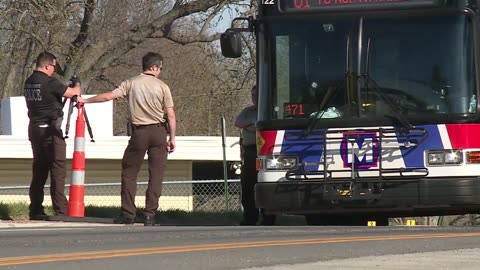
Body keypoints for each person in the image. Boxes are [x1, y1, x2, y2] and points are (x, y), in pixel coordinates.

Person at [78, 52, 176, 226]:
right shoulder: (162, 86)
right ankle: (149, 214)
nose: (160, 71)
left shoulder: (131, 83)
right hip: (159, 132)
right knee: (156, 174)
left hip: (139, 133)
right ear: (153, 67)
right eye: (160, 68)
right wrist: (172, 138)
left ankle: (128, 214)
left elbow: (108, 96)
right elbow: (171, 115)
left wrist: (85, 100)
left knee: (130, 172)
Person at [24, 52, 81, 220]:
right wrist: (77, 83)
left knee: (39, 170)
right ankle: (61, 210)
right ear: (48, 65)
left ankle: (35, 209)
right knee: (57, 170)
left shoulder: (29, 82)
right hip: (51, 130)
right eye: (54, 67)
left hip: (34, 129)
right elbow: (73, 93)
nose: (54, 70)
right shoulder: (49, 83)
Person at [235, 85, 276, 226]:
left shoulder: (270, 110)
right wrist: (252, 123)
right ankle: (249, 217)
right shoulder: (248, 111)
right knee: (248, 185)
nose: (254, 98)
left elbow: (261, 128)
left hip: (265, 150)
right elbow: (238, 122)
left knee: (266, 183)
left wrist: (250, 126)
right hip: (250, 151)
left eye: (256, 95)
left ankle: (268, 217)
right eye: (252, 95)